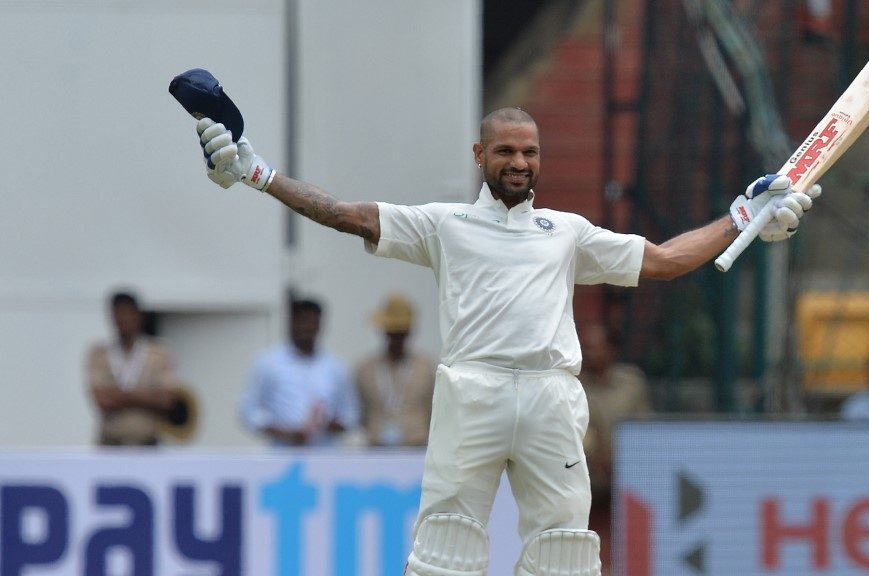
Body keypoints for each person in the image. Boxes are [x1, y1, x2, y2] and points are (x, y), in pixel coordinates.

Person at [191, 107, 819, 575]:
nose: (519, 162)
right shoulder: (445, 223)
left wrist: (743, 217)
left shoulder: (566, 231)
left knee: (565, 553)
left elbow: (664, 260)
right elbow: (345, 214)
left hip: (551, 396)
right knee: (445, 551)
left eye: (530, 152)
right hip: (473, 391)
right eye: (506, 151)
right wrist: (257, 173)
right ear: (479, 154)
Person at [577, 323, 652, 574]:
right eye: (585, 347)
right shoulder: (571, 385)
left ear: (611, 350)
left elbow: (644, 429)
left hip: (629, 473)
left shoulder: (631, 383)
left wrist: (623, 460)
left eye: (595, 347)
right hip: (585, 476)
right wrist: (593, 459)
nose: (589, 353)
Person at [238, 298, 359, 446]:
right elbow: (248, 410)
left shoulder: (335, 366)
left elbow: (351, 413)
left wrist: (332, 424)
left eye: (312, 322)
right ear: (290, 323)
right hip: (283, 452)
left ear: (320, 325)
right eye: (301, 321)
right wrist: (282, 432)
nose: (306, 327)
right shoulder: (268, 362)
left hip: (325, 452)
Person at [86, 291, 179, 446]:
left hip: (147, 443)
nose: (124, 318)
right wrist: (147, 396)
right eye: (119, 313)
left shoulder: (158, 353)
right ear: (112, 317)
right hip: (111, 443)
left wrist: (119, 394)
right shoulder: (100, 354)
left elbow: (166, 400)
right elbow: (102, 400)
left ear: (138, 315)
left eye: (128, 312)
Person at [356, 293, 436, 447]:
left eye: (401, 332)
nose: (396, 338)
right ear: (384, 331)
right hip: (376, 448)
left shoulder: (425, 368)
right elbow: (361, 412)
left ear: (409, 331)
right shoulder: (366, 369)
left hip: (417, 447)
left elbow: (433, 410)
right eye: (392, 331)